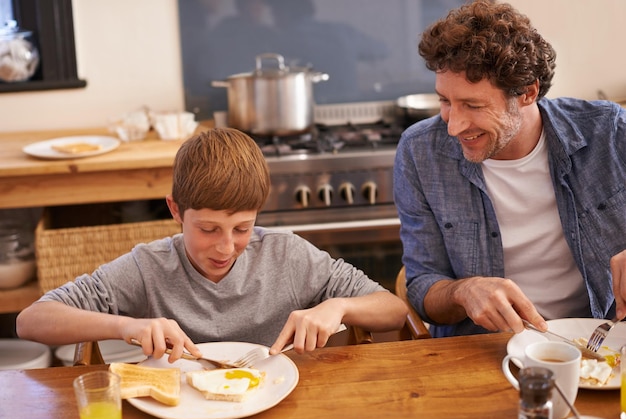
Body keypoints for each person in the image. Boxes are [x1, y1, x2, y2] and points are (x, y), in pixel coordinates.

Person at [17, 128, 407, 361]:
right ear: (175, 210)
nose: (225, 247)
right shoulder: (148, 268)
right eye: (208, 229)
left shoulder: (287, 255)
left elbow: (392, 310)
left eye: (242, 229)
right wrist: (127, 326)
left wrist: (338, 306)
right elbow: (30, 321)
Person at [393, 0, 626, 338]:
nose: (454, 126)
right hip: (482, 350)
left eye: (473, 105)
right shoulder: (420, 152)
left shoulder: (610, 132)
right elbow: (422, 284)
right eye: (445, 101)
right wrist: (462, 291)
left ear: (528, 93)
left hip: (601, 344)